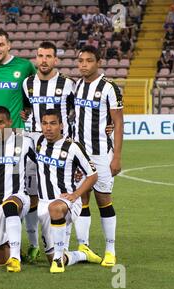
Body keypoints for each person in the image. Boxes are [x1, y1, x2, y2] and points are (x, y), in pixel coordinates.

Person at [0, 28, 36, 258]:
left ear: (9, 45)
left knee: (24, 189)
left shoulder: (24, 66)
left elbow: (33, 93)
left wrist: (28, 110)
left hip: (16, 138)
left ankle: (31, 242)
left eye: (1, 44)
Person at [21, 41, 77, 263]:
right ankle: (36, 243)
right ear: (36, 58)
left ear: (56, 60)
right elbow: (26, 108)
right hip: (34, 142)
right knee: (34, 194)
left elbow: (77, 112)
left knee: (62, 191)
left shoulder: (68, 84)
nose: (43, 60)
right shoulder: (27, 84)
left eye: (48, 56)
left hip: (59, 144)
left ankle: (65, 245)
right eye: (40, 56)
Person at [32, 109, 101, 273]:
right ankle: (81, 254)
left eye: (53, 123)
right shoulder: (39, 140)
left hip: (67, 202)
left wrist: (75, 195)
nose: (48, 128)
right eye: (45, 123)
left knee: (55, 208)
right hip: (43, 205)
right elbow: (12, 133)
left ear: (61, 126)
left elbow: (93, 175)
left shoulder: (73, 147)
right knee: (55, 256)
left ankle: (58, 259)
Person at [73, 46, 124, 267]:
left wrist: (117, 157)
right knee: (81, 198)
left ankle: (110, 249)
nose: (84, 64)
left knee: (103, 199)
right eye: (81, 61)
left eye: (89, 61)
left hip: (102, 153)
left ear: (98, 62)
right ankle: (83, 246)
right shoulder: (76, 85)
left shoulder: (109, 87)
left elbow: (119, 122)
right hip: (79, 153)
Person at [0, 106, 35, 272]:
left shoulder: (24, 141)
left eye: (1, 123)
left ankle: (15, 258)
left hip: (18, 197)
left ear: (9, 122)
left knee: (9, 204)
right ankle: (13, 249)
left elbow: (43, 162)